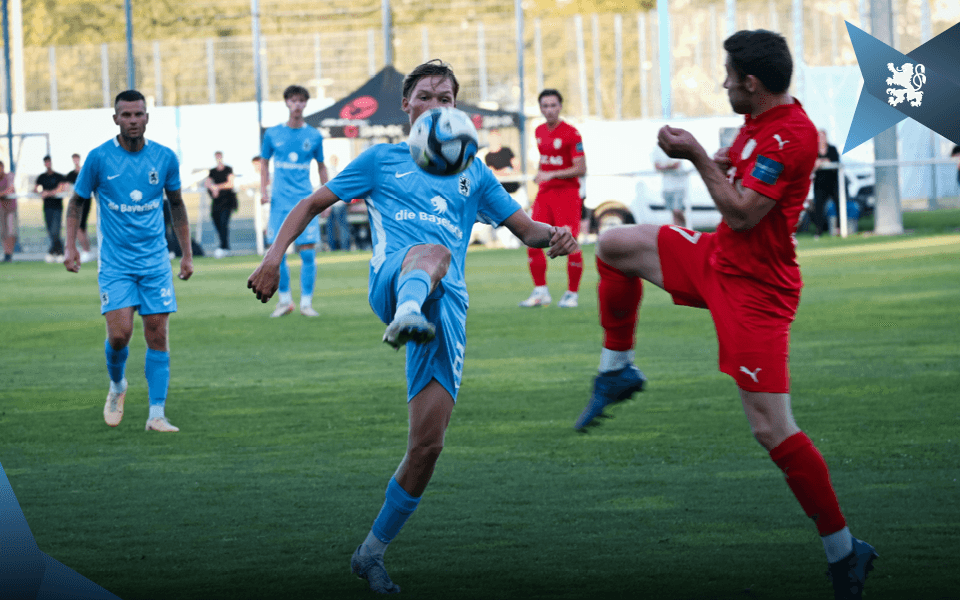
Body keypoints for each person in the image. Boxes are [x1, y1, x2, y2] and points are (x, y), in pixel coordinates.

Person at [247, 59, 578, 594]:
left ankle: (371, 552)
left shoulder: (473, 171)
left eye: (445, 98)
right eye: (425, 96)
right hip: (392, 280)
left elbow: (527, 229)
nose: (435, 106)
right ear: (406, 105)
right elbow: (311, 203)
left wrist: (555, 235)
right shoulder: (380, 160)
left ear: (456, 108)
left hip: (446, 309)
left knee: (427, 447)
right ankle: (406, 311)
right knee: (430, 251)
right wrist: (271, 257)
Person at [571, 30, 876, 600]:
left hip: (757, 290)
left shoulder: (791, 136)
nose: (724, 84)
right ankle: (617, 370)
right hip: (718, 259)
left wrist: (692, 154)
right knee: (613, 246)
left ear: (752, 83)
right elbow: (731, 172)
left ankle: (845, 551)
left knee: (771, 428)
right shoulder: (760, 121)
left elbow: (740, 213)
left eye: (730, 77)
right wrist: (701, 156)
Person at [63, 89, 194, 433]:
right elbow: (76, 203)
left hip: (155, 263)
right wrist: (70, 246)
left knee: (157, 334)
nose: (133, 121)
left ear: (147, 117)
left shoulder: (164, 158)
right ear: (116, 119)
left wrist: (186, 254)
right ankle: (118, 384)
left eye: (138, 114)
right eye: (126, 115)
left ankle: (156, 414)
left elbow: (177, 205)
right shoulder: (99, 158)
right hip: (116, 264)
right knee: (120, 335)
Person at [260, 84, 329, 317]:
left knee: (307, 253)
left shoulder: (314, 135)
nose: (297, 105)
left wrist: (327, 198)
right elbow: (264, 163)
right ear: (287, 103)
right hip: (280, 202)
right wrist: (264, 190)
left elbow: (321, 167)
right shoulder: (272, 134)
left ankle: (306, 303)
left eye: (301, 101)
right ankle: (285, 301)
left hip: (305, 202)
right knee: (276, 253)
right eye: (293, 100)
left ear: (305, 104)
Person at [519, 89, 586, 308]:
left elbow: (581, 168)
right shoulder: (539, 131)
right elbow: (545, 160)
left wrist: (552, 174)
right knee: (531, 238)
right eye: (545, 106)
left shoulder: (572, 133)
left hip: (566, 195)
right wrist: (541, 173)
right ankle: (540, 291)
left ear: (560, 107)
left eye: (553, 105)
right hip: (545, 194)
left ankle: (572, 294)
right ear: (540, 108)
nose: (549, 110)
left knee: (569, 242)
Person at [204, 151, 239, 258]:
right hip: (216, 203)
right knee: (217, 223)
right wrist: (212, 188)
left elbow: (230, 183)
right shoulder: (212, 171)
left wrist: (217, 187)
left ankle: (224, 247)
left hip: (227, 202)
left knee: (224, 224)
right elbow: (207, 183)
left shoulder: (228, 169)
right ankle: (224, 246)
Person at [64, 153, 95, 263]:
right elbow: (65, 186)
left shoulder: (84, 171)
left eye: (77, 158)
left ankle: (87, 251)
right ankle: (87, 251)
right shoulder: (70, 174)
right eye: (74, 159)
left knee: (80, 227)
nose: (75, 160)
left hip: (85, 201)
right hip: (75, 202)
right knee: (79, 227)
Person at [36, 155, 67, 262]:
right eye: (46, 162)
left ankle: (57, 252)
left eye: (49, 162)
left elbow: (61, 188)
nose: (47, 164)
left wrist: (48, 193)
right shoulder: (41, 177)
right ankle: (56, 253)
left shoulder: (59, 176)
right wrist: (41, 192)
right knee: (50, 231)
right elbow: (36, 189)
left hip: (57, 207)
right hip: (47, 207)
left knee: (55, 231)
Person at [652, 144, 689, 227]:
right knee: (673, 212)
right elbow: (657, 167)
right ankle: (679, 230)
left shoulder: (678, 147)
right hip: (666, 187)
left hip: (679, 186)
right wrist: (668, 166)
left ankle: (685, 227)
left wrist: (664, 166)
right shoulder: (656, 150)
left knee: (677, 210)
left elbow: (676, 165)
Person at [812, 128, 840, 237]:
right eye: (819, 136)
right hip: (819, 184)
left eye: (823, 136)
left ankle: (839, 229)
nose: (822, 139)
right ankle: (819, 231)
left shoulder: (832, 149)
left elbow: (837, 163)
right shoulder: (814, 150)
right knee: (818, 208)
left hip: (832, 183)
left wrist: (824, 161)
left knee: (838, 205)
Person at [321, 154, 350, 251]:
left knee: (331, 227)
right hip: (338, 203)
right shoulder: (336, 173)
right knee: (342, 226)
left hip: (330, 204)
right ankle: (345, 247)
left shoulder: (327, 173)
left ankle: (332, 247)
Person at [484, 129, 521, 195]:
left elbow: (516, 164)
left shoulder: (507, 150)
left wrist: (512, 173)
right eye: (493, 138)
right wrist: (503, 173)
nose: (495, 140)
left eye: (496, 137)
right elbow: (492, 172)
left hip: (514, 186)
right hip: (500, 189)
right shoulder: (488, 156)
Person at [0, 160, 16, 262]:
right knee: (3, 232)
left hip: (11, 208)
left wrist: (1, 194)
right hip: (1, 209)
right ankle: (6, 254)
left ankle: (9, 253)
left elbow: (10, 189)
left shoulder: (9, 176)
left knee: (11, 232)